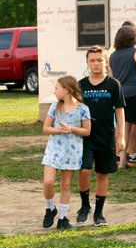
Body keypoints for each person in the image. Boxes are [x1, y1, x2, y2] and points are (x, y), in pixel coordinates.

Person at [77, 46, 125, 227]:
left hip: (106, 137)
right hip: (85, 137)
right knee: (84, 170)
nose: (96, 63)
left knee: (102, 175)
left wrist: (120, 136)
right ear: (87, 63)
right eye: (92, 60)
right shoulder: (80, 85)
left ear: (106, 62)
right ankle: (84, 206)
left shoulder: (114, 84)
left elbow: (120, 111)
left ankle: (99, 212)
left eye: (100, 60)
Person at [41, 76, 91, 230]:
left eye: (57, 88)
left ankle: (63, 218)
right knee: (48, 182)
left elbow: (87, 131)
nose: (54, 91)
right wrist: (59, 130)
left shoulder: (83, 108)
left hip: (72, 152)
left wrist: (72, 128)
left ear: (66, 90)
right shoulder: (55, 106)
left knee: (66, 185)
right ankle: (50, 208)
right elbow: (46, 128)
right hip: (54, 149)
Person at [109, 24, 136, 170]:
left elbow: (112, 78)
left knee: (123, 129)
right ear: (131, 38)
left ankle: (122, 161)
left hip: (120, 96)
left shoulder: (112, 56)